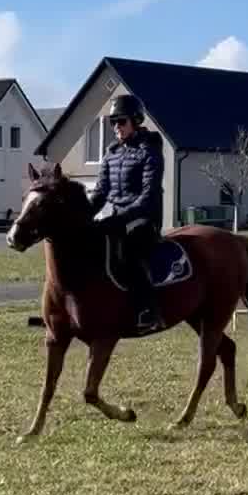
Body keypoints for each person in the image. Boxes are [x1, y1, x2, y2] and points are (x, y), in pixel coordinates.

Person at [91, 93, 166, 326]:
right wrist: (82, 215)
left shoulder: (150, 151)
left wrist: (120, 218)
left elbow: (148, 197)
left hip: (144, 219)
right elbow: (100, 193)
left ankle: (148, 309)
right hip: (116, 218)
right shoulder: (111, 153)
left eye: (121, 121)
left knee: (130, 250)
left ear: (136, 121)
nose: (116, 127)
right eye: (113, 122)